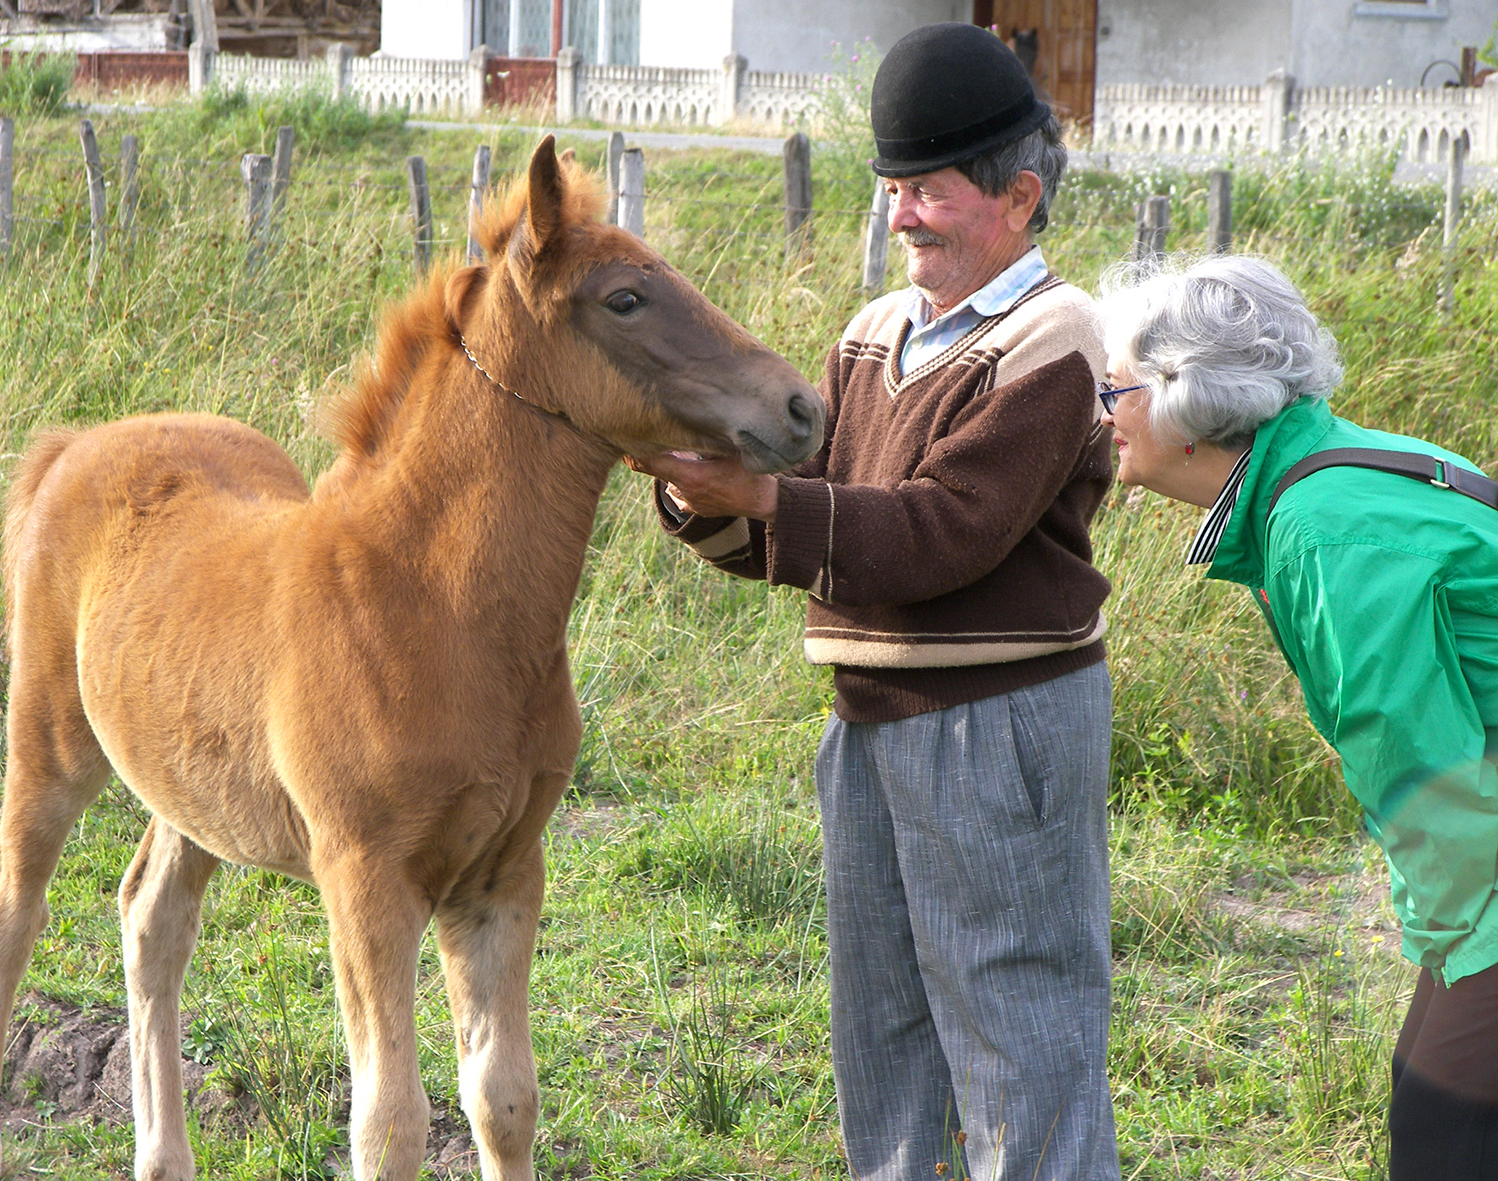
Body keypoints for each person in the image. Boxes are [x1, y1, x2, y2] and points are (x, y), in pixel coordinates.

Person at [627, 22, 1121, 1181]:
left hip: (1002, 728)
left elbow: (942, 533)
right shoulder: (874, 333)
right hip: (869, 726)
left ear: (1018, 198)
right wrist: (701, 496)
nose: (901, 215)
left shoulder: (1055, 337)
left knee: (1020, 1032)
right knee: (885, 1037)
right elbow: (813, 521)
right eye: (892, 189)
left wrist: (767, 499)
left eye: (929, 193)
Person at [1097, 253, 1498, 1180]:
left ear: (1184, 400)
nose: (1104, 413)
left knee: (1445, 1133)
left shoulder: (1319, 527)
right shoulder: (1338, 472)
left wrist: (1457, 950)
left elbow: (1422, 772)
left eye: (1113, 387)